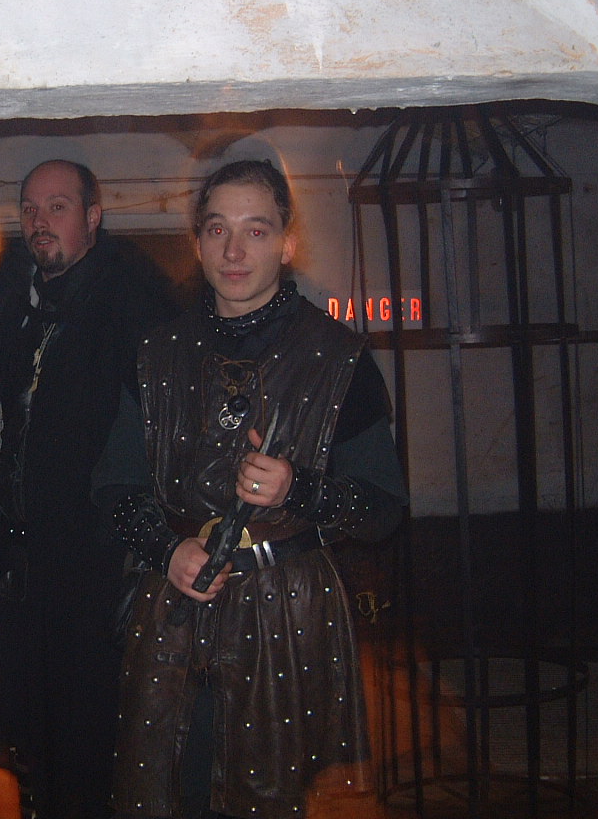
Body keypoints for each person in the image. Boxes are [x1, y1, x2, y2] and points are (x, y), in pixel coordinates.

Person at [108, 159, 407, 819]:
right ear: (197, 243)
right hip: (172, 611)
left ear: (287, 243)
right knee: (171, 792)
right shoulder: (155, 352)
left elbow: (383, 508)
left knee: (277, 800)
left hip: (290, 617)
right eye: (217, 229)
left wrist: (299, 489)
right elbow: (116, 486)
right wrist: (166, 549)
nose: (234, 251)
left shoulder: (339, 357)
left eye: (256, 230)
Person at [0, 159, 176, 819]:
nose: (40, 221)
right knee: (21, 730)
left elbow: (159, 435)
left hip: (93, 564)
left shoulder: (132, 303)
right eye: (30, 208)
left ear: (93, 217)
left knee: (90, 735)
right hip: (13, 561)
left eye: (58, 207)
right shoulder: (4, 301)